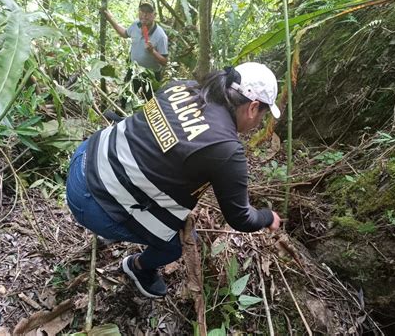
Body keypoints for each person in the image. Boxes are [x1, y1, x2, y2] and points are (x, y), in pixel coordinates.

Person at [66, 62, 282, 298]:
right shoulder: (227, 149)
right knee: (179, 243)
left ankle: (112, 224)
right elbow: (241, 218)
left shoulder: (183, 88)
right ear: (252, 108)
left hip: (85, 156)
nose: (259, 123)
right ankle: (136, 267)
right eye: (262, 115)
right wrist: (268, 217)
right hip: (88, 203)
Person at [103, 0, 168, 100]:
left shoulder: (160, 36)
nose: (144, 15)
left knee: (150, 104)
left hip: (151, 76)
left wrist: (153, 51)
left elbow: (164, 62)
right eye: (142, 11)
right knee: (125, 98)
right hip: (134, 71)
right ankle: (121, 115)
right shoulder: (136, 25)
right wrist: (110, 19)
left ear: (154, 15)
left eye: (148, 12)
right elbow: (124, 33)